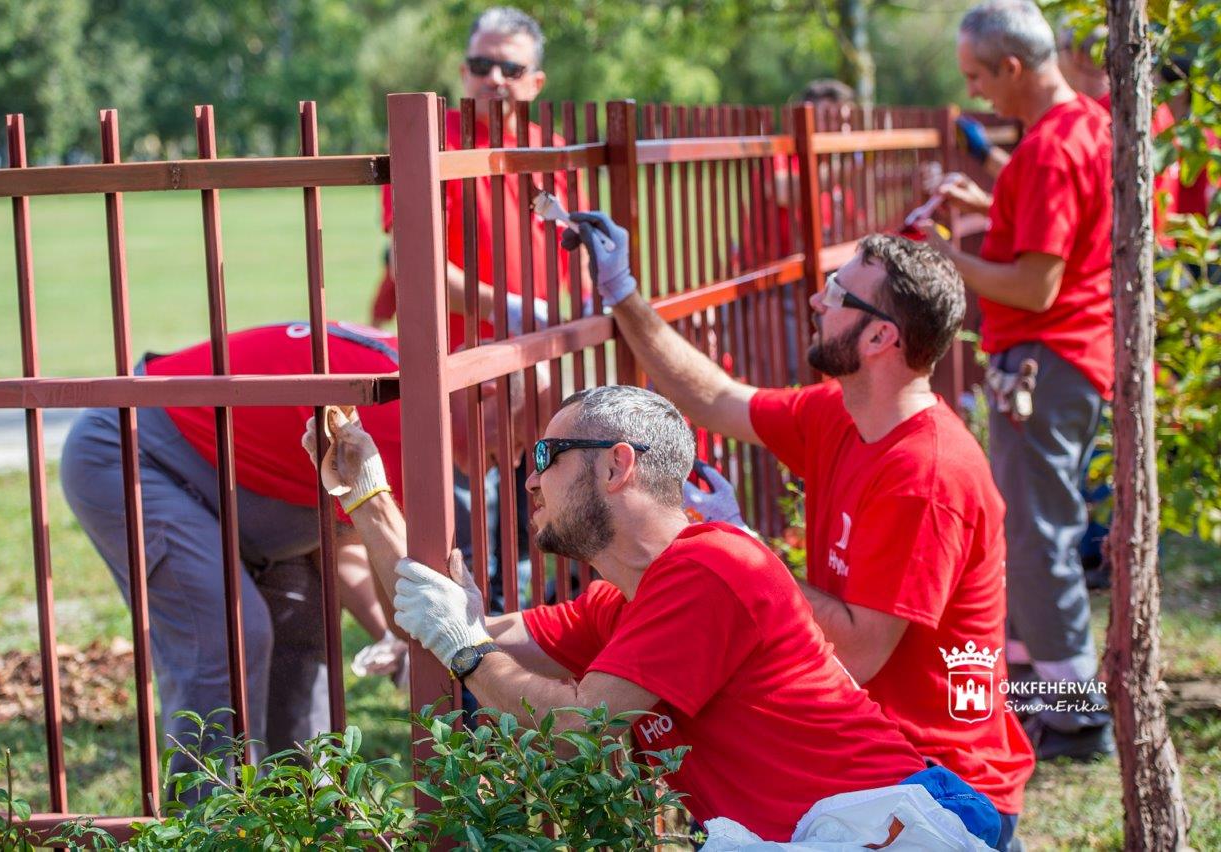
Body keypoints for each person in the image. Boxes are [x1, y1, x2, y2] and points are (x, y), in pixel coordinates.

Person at [306, 384, 1001, 847]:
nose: (527, 476)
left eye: (545, 455)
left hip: (890, 831)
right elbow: (439, 620)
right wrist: (366, 492)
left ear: (616, 466)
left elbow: (571, 726)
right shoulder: (625, 603)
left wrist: (466, 652)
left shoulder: (710, 569)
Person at [558, 210, 1033, 848]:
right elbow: (713, 397)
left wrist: (749, 551)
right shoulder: (840, 413)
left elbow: (860, 655)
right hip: (872, 766)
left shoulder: (926, 476)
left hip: (936, 787)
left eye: (837, 295)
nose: (817, 298)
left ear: (878, 339)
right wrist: (624, 294)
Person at [60, 321, 517, 779]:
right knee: (231, 638)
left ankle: (302, 819)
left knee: (304, 629)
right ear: (491, 393)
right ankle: (211, 828)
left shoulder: (421, 381)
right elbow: (404, 586)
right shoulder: (406, 414)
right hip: (135, 451)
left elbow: (344, 548)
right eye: (520, 438)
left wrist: (392, 637)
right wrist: (440, 650)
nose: (516, 461)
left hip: (240, 485)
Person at [919, 0, 1115, 762]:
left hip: (1046, 355)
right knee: (1037, 535)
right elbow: (1056, 228)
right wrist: (990, 201)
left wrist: (941, 255)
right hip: (1069, 353)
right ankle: (1045, 703)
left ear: (1011, 66)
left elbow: (1033, 286)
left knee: (1037, 542)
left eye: (977, 77)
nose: (975, 97)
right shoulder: (1082, 127)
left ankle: (1075, 719)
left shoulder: (1050, 148)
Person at [370, 6, 584, 345]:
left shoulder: (552, 148)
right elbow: (411, 265)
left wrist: (593, 303)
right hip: (456, 354)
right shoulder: (428, 142)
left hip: (541, 346)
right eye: (481, 66)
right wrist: (502, 309)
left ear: (536, 82)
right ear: (464, 72)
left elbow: (576, 254)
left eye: (511, 69)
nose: (494, 78)